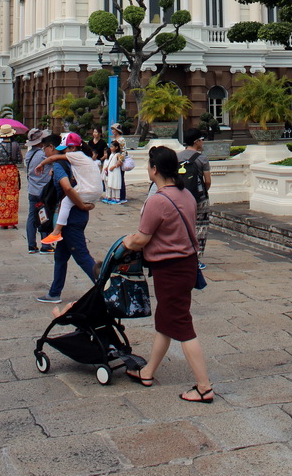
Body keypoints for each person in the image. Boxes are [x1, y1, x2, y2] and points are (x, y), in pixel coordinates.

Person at [122, 145, 213, 403]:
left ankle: (204, 387)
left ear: (154, 169)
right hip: (186, 264)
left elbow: (142, 238)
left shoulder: (158, 200)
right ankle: (148, 371)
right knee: (166, 320)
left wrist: (127, 242)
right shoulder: (185, 195)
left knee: (182, 325)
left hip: (169, 268)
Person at [36, 134, 97, 303]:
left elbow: (68, 189)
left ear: (53, 148)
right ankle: (54, 292)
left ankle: (107, 288)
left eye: (45, 148)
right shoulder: (74, 162)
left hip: (72, 216)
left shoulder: (60, 165)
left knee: (82, 255)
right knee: (61, 256)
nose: (44, 152)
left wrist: (82, 205)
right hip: (77, 213)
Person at [39, 132, 103, 244]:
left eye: (65, 149)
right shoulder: (85, 157)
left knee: (66, 202)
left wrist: (41, 164)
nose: (63, 152)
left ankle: (56, 231)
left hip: (87, 190)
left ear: (73, 147)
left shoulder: (74, 155)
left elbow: (53, 158)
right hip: (96, 191)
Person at [177, 129, 212, 264]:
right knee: (200, 225)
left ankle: (181, 253)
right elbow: (207, 180)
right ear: (196, 142)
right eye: (201, 140)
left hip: (180, 196)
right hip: (199, 197)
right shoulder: (202, 158)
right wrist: (203, 190)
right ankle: (195, 257)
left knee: (182, 224)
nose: (202, 142)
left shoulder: (177, 156)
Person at [24, 128, 54, 253]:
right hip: (43, 190)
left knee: (31, 217)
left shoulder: (29, 154)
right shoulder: (42, 154)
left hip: (32, 189)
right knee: (45, 216)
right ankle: (46, 244)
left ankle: (31, 245)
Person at [0, 124, 22, 229]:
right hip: (12, 171)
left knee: (2, 196)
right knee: (13, 196)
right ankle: (11, 221)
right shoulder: (16, 145)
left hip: (1, 172)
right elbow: (19, 160)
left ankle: (2, 221)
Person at [102, 140, 125, 204]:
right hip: (111, 172)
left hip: (115, 171)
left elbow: (120, 162)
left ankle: (117, 198)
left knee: (116, 184)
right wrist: (107, 167)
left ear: (116, 147)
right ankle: (113, 197)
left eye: (112, 147)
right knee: (111, 184)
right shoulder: (112, 154)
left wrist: (114, 166)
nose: (111, 148)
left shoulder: (118, 154)